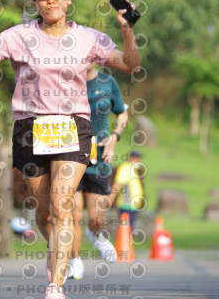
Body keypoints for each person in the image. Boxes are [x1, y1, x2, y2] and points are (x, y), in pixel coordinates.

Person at [0, 0, 140, 299]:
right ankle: (59, 252)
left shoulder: (88, 38)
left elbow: (130, 64)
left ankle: (55, 286)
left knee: (62, 207)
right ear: (36, 2)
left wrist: (127, 28)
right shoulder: (19, 35)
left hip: (73, 127)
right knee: (45, 212)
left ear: (68, 0)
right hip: (29, 129)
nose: (51, 1)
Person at [67, 63, 128, 279]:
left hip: (99, 159)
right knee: (73, 214)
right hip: (71, 156)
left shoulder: (108, 82)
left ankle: (96, 234)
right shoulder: (66, 81)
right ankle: (74, 261)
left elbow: (122, 113)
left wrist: (115, 138)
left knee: (96, 218)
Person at [109, 150, 147, 232]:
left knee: (129, 228)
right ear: (132, 158)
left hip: (132, 205)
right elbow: (118, 183)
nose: (139, 160)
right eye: (137, 158)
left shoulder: (133, 169)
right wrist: (111, 198)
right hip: (126, 204)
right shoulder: (126, 168)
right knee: (126, 228)